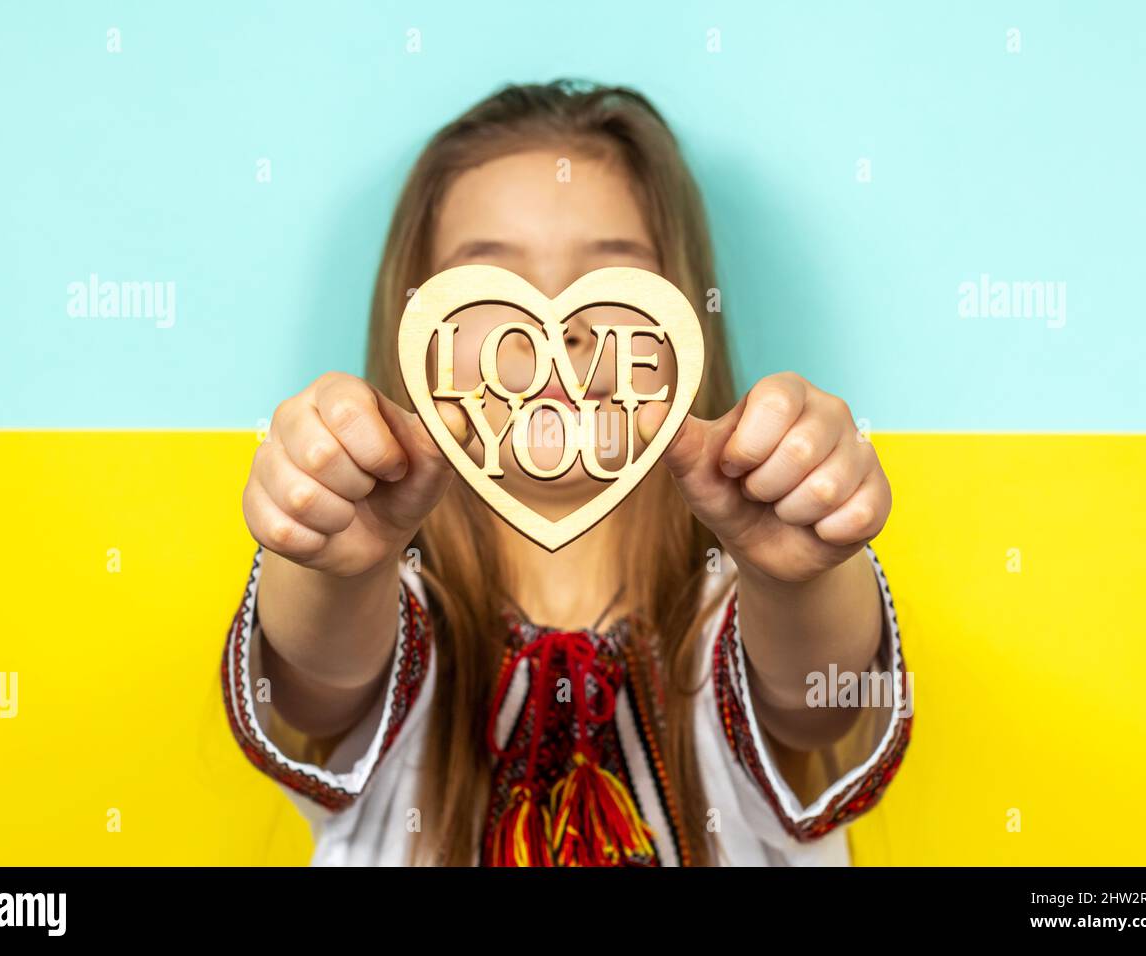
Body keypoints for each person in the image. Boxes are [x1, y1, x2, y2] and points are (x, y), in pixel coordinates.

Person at [221, 79, 912, 866]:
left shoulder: (739, 606)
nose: (558, 322)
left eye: (612, 276)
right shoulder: (390, 606)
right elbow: (317, 680)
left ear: (683, 321)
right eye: (491, 278)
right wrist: (338, 567)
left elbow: (816, 704)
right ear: (417, 324)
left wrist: (799, 576)